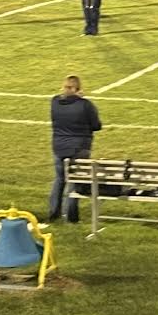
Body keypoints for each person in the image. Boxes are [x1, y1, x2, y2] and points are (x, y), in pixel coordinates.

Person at [47, 75, 102, 224]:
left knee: (59, 179)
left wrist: (75, 98)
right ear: (77, 89)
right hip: (79, 147)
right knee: (74, 181)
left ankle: (53, 212)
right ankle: (71, 216)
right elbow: (97, 125)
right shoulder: (85, 105)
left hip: (59, 146)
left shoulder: (54, 102)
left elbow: (63, 101)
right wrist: (80, 99)